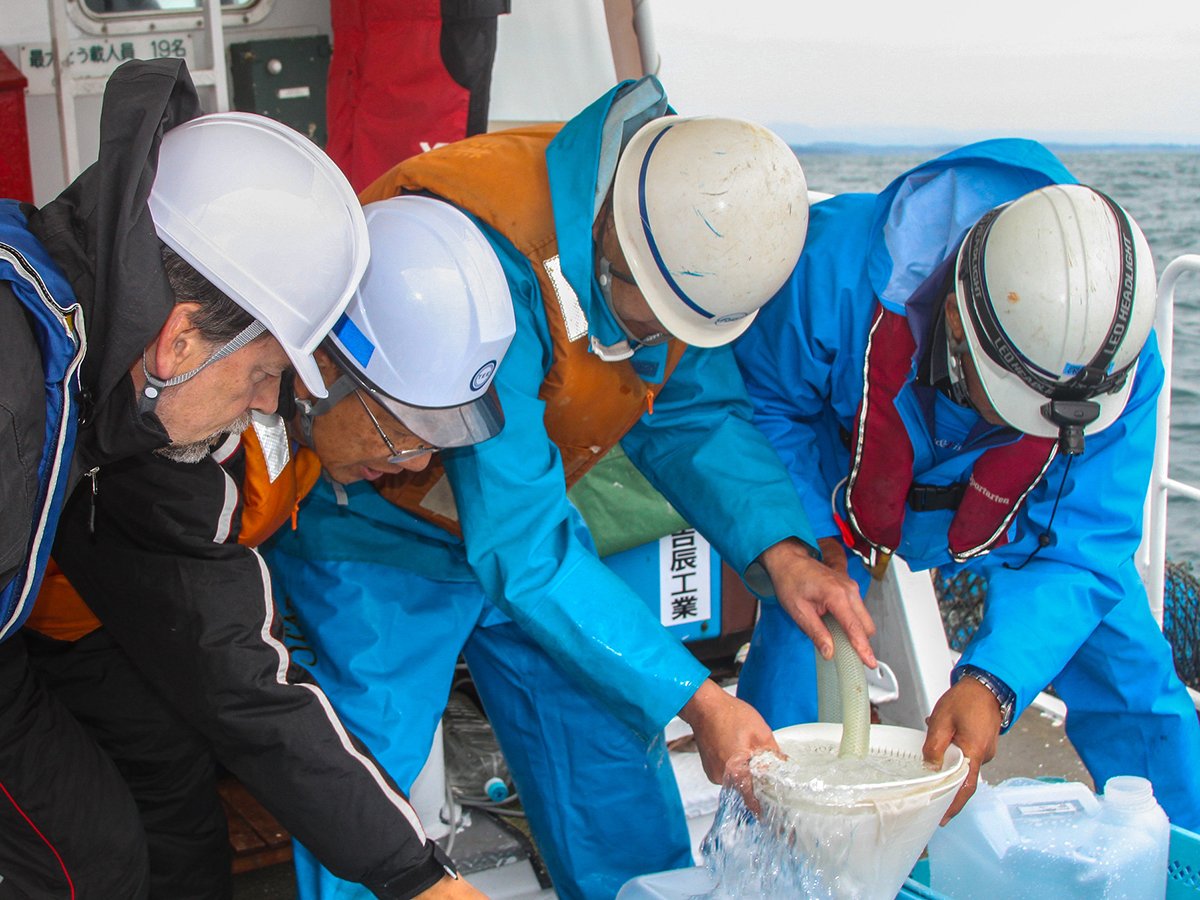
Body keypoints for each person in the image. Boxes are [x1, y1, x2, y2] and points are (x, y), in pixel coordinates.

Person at [264, 75, 876, 900]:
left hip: (533, 522)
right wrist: (699, 700)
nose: (658, 339)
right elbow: (522, 550)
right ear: (610, 243)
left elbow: (691, 412)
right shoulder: (485, 252)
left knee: (606, 743)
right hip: (377, 531)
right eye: (649, 318)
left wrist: (784, 549)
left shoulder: (682, 238)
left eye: (677, 329)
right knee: (361, 776)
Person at [30, 196, 516, 900]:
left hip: (148, 623)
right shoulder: (179, 434)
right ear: (318, 372)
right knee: (108, 846)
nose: (415, 466)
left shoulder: (284, 419)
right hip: (70, 631)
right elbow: (242, 679)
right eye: (401, 431)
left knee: (183, 817)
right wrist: (419, 880)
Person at [732, 139, 1200, 829]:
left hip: (1025, 512)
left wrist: (993, 682)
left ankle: (1182, 854)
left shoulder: (1117, 357)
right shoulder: (827, 270)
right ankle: (769, 838)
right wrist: (804, 538)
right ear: (954, 321)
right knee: (809, 636)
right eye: (1005, 399)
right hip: (845, 483)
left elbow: (1086, 540)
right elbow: (766, 401)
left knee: (1134, 674)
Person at [0, 58, 368, 899]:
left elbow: (232, 666)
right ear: (179, 343)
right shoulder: (16, 403)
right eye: (262, 373)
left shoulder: (74, 353)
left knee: (106, 838)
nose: (267, 404)